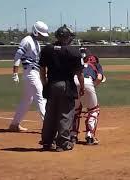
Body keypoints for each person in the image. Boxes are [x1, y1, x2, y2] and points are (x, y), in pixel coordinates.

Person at [39, 24, 85, 152]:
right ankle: (63, 143)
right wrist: (82, 87)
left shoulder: (47, 49)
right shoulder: (73, 52)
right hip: (66, 85)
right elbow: (79, 73)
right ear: (67, 38)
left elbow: (42, 69)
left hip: (51, 84)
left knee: (50, 114)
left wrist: (44, 83)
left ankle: (47, 142)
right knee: (65, 114)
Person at [9, 21, 49, 132]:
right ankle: (47, 126)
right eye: (41, 34)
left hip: (35, 72)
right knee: (41, 96)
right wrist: (15, 73)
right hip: (30, 72)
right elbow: (17, 57)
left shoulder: (36, 42)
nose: (42, 37)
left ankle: (14, 124)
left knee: (27, 100)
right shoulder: (27, 40)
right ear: (36, 32)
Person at [71, 48, 105, 145]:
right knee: (93, 110)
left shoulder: (76, 63)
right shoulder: (96, 64)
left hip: (74, 81)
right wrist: (92, 86)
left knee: (75, 110)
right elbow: (99, 78)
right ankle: (90, 136)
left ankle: (73, 135)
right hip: (87, 81)